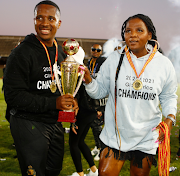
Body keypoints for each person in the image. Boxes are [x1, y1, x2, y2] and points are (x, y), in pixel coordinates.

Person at [82, 14, 177, 176]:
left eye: (139, 30)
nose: (132, 34)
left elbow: (169, 96)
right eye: (128, 31)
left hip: (146, 136)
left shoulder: (163, 64)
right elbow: (100, 92)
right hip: (115, 135)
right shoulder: (114, 60)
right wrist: (89, 80)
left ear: (150, 35)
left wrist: (170, 118)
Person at [3, 1, 78, 176]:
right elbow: (13, 96)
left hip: (54, 121)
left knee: (53, 171)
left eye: (51, 18)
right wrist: (54, 103)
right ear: (34, 21)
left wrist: (72, 101)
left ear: (59, 23)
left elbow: (62, 88)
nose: (45, 23)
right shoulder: (21, 52)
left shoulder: (61, 52)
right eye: (40, 18)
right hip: (28, 121)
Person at [68, 44, 106, 176]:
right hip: (90, 112)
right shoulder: (84, 68)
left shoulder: (74, 70)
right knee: (80, 142)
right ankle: (94, 170)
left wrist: (73, 117)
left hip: (82, 112)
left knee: (73, 143)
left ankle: (80, 173)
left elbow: (76, 96)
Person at [88, 44, 107, 161]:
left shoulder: (104, 62)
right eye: (93, 49)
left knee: (98, 124)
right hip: (92, 96)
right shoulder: (89, 61)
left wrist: (101, 107)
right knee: (93, 124)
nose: (95, 51)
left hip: (101, 98)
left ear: (101, 52)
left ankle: (102, 149)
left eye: (98, 50)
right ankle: (97, 145)